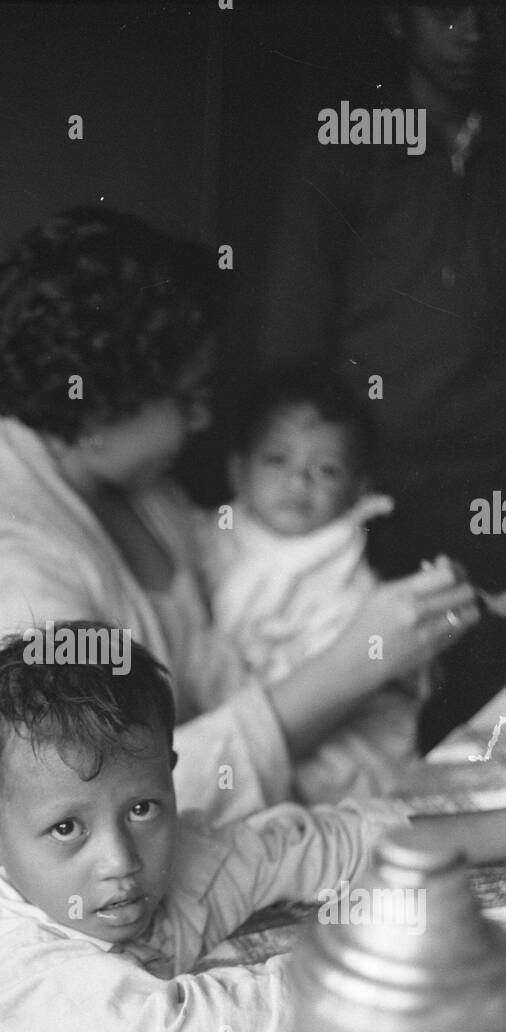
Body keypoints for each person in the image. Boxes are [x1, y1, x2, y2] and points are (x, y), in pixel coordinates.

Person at [0, 207, 477, 825]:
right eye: (186, 399)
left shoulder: (132, 486)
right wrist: (354, 665)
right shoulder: (7, 565)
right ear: (101, 407)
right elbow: (102, 798)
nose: (201, 420)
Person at [0, 624, 405, 1032]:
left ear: (169, 775)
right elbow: (200, 1028)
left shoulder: (177, 858)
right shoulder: (28, 984)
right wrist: (401, 974)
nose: (120, 861)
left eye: (142, 808)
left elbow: (303, 845)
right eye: (66, 828)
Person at [258, 3, 506, 746]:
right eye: (446, 13)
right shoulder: (347, 147)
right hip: (373, 482)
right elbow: (292, 335)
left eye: (492, 14)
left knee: (481, 687)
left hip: (489, 476)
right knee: (381, 695)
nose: (471, 34)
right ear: (398, 20)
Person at [205, 362, 425, 802]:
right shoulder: (212, 535)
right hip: (224, 720)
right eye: (277, 459)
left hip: (319, 721)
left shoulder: (345, 569)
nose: (298, 480)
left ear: (357, 490)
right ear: (238, 472)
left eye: (326, 470)